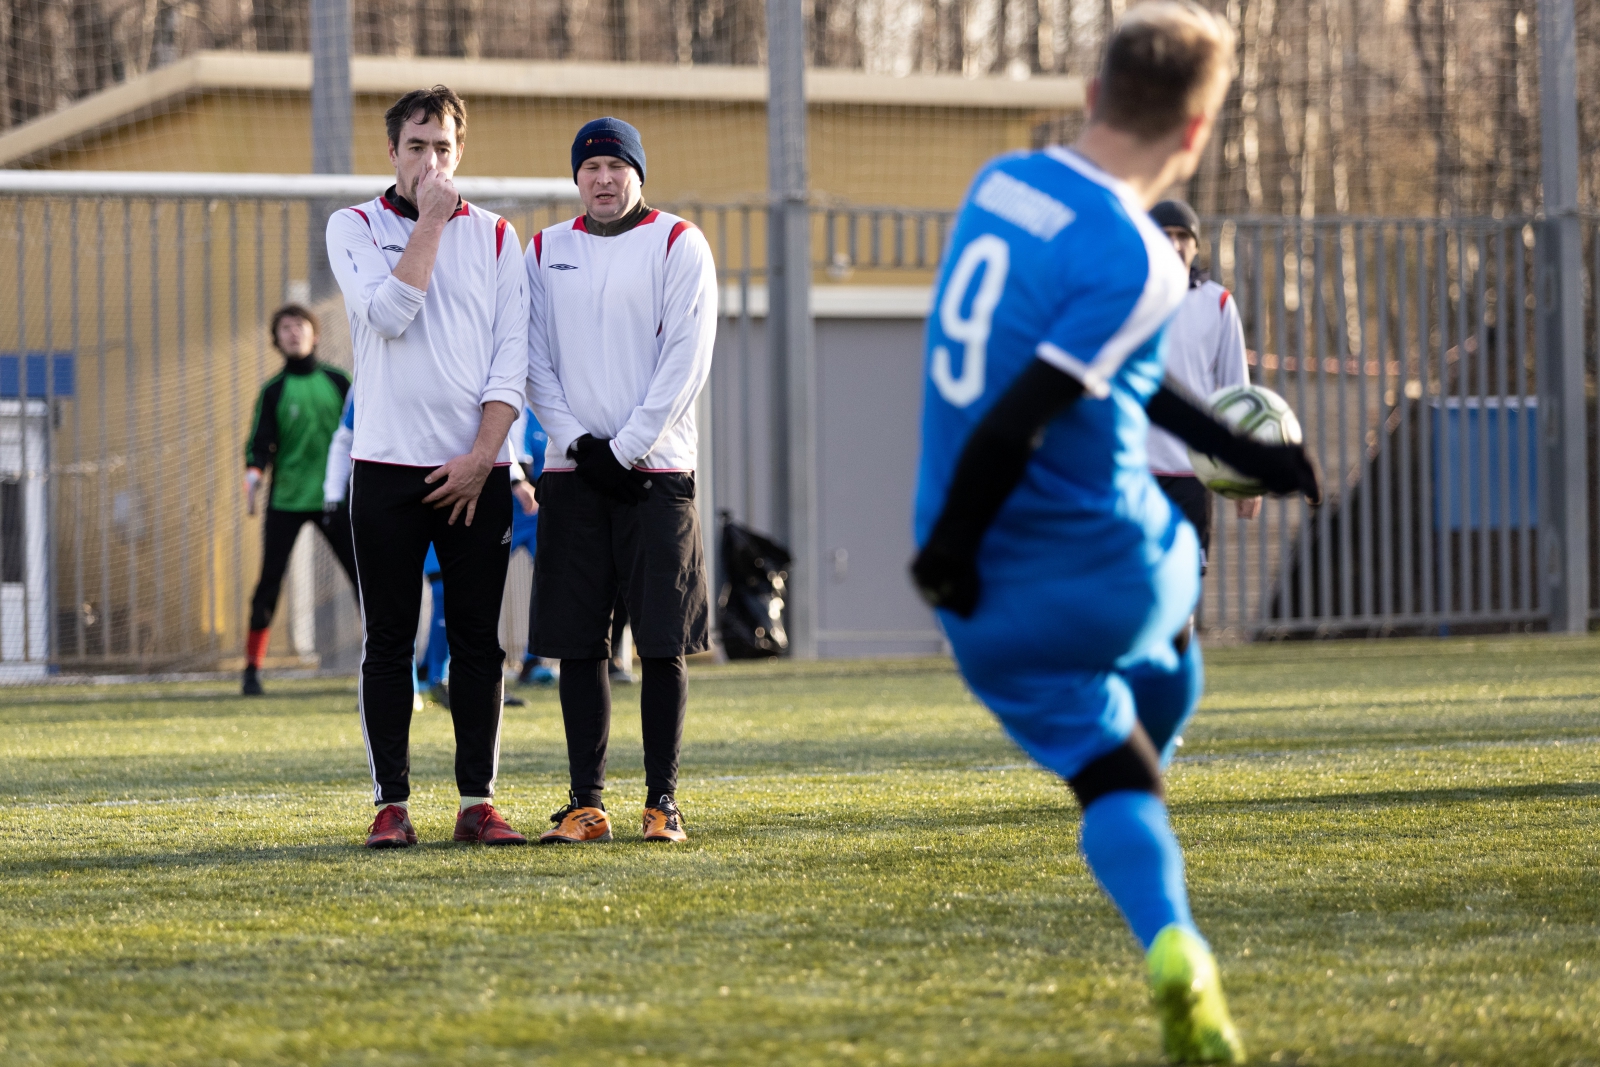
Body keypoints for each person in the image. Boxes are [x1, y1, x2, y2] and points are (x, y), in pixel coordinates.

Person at [908, 4, 1319, 1062]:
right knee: (1167, 621)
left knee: (1106, 773)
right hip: (1110, 564)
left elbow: (1099, 380)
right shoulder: (1146, 260)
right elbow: (1031, 409)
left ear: (1091, 96)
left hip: (990, 598)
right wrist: (1260, 460)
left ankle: (1174, 936)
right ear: (1193, 135)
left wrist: (946, 553)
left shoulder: (996, 186)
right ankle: (1167, 825)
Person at [326, 84, 529, 849]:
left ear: (460, 151)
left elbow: (514, 358)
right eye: (417, 146)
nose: (431, 161)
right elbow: (388, 314)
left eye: (444, 147)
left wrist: (486, 457)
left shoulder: (502, 236)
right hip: (383, 469)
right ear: (393, 153)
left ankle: (478, 801)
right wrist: (434, 221)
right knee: (389, 638)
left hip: (476, 471)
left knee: (478, 640)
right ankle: (392, 803)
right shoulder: (351, 226)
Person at [525, 116, 719, 846]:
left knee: (662, 642)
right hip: (574, 475)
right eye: (590, 167)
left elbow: (686, 358)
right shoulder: (545, 249)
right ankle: (585, 803)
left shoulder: (678, 242)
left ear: (639, 173)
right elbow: (532, 356)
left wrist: (627, 446)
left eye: (616, 165)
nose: (603, 178)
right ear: (576, 177)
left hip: (656, 474)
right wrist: (578, 441)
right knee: (579, 643)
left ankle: (662, 802)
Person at [242, 304, 357, 697]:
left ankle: (389, 666)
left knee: (366, 580)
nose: (293, 333)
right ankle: (251, 670)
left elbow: (364, 431)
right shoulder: (273, 391)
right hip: (287, 500)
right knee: (268, 584)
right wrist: (253, 474)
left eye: (300, 326)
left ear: (315, 333)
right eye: (285, 328)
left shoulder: (340, 382)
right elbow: (260, 443)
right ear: (276, 340)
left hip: (336, 501)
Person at [1145, 199, 1259, 574]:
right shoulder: (1124, 299)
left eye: (1183, 237)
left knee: (1182, 589)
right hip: (1133, 471)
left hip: (1190, 475)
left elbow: (1236, 393)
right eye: (1166, 236)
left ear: (1195, 246)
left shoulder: (1219, 304)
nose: (1176, 245)